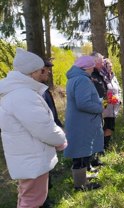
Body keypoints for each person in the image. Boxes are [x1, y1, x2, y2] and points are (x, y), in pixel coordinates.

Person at [0, 48, 67, 207]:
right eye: (42, 70)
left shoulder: (20, 92)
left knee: (28, 198)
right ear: (32, 72)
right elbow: (44, 128)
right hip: (32, 159)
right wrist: (61, 138)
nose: (46, 73)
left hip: (29, 157)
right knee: (31, 201)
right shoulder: (23, 95)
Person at [63, 55, 103, 191]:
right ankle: (80, 186)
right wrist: (100, 107)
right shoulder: (82, 80)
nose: (93, 70)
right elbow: (83, 103)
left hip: (79, 122)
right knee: (80, 155)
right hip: (81, 123)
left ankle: (82, 179)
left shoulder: (74, 78)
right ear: (87, 67)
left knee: (80, 153)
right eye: (92, 67)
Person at [39, 59, 64, 207]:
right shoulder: (37, 92)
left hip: (50, 133)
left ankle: (45, 198)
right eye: (46, 69)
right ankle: (42, 201)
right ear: (38, 70)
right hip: (42, 137)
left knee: (47, 169)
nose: (49, 72)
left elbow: (52, 112)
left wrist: (59, 125)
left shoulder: (43, 89)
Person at [89, 52, 106, 168]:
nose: (102, 63)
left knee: (98, 133)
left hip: (99, 107)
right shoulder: (90, 75)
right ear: (94, 62)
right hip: (93, 109)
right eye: (100, 61)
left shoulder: (98, 74)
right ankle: (89, 161)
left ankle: (95, 158)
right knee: (92, 134)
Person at [101, 58, 121, 149]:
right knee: (104, 127)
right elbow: (100, 91)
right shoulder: (101, 77)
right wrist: (107, 98)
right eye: (109, 67)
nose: (111, 68)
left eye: (111, 67)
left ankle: (106, 146)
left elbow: (119, 90)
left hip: (113, 108)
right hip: (104, 108)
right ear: (104, 67)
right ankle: (100, 147)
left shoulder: (113, 77)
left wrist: (118, 98)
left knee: (110, 127)